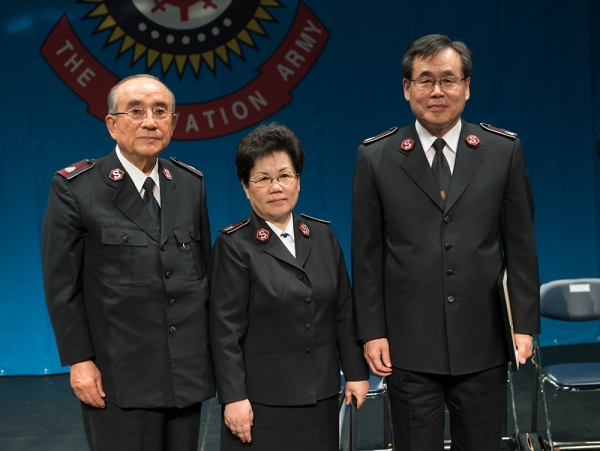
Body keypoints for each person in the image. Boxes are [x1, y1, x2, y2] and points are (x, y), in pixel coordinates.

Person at [351, 34, 540, 451]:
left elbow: (521, 245)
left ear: (467, 87)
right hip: (407, 346)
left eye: (449, 79)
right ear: (407, 88)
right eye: (425, 80)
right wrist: (372, 332)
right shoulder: (375, 156)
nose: (437, 91)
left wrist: (523, 324)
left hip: (484, 342)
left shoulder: (502, 150)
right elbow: (366, 257)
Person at [41, 74, 214, 451]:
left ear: (173, 121)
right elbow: (62, 287)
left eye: (160, 111)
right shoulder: (76, 189)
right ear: (112, 124)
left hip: (185, 373)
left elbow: (204, 274)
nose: (149, 121)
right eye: (136, 111)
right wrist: (79, 361)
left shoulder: (189, 184)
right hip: (119, 377)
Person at [209, 123, 369, 451]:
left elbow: (343, 311)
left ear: (298, 179)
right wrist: (233, 398)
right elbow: (225, 332)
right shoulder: (234, 245)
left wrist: (355, 372)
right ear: (245, 186)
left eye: (285, 175)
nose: (276, 187)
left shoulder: (322, 236)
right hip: (261, 403)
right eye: (263, 178)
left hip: (321, 397)